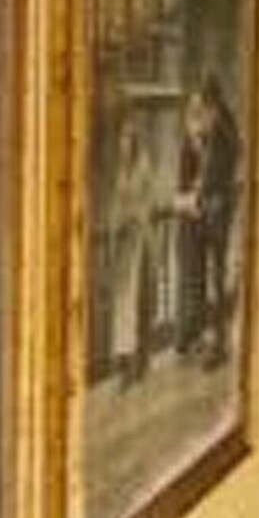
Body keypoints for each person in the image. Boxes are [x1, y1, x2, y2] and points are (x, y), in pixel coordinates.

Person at [173, 77, 241, 367]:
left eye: (203, 107)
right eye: (195, 108)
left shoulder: (225, 134)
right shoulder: (196, 131)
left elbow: (218, 177)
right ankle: (194, 335)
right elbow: (184, 175)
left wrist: (199, 198)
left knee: (218, 279)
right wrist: (187, 197)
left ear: (215, 106)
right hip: (199, 215)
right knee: (196, 274)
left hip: (218, 215)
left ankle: (219, 344)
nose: (199, 113)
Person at [108, 123, 158, 386]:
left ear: (134, 141)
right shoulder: (122, 170)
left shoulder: (142, 168)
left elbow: (145, 205)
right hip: (124, 245)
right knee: (123, 305)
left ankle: (139, 363)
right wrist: (115, 228)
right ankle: (124, 364)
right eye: (122, 140)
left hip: (139, 241)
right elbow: (117, 205)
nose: (123, 145)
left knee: (138, 303)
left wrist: (131, 217)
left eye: (127, 139)